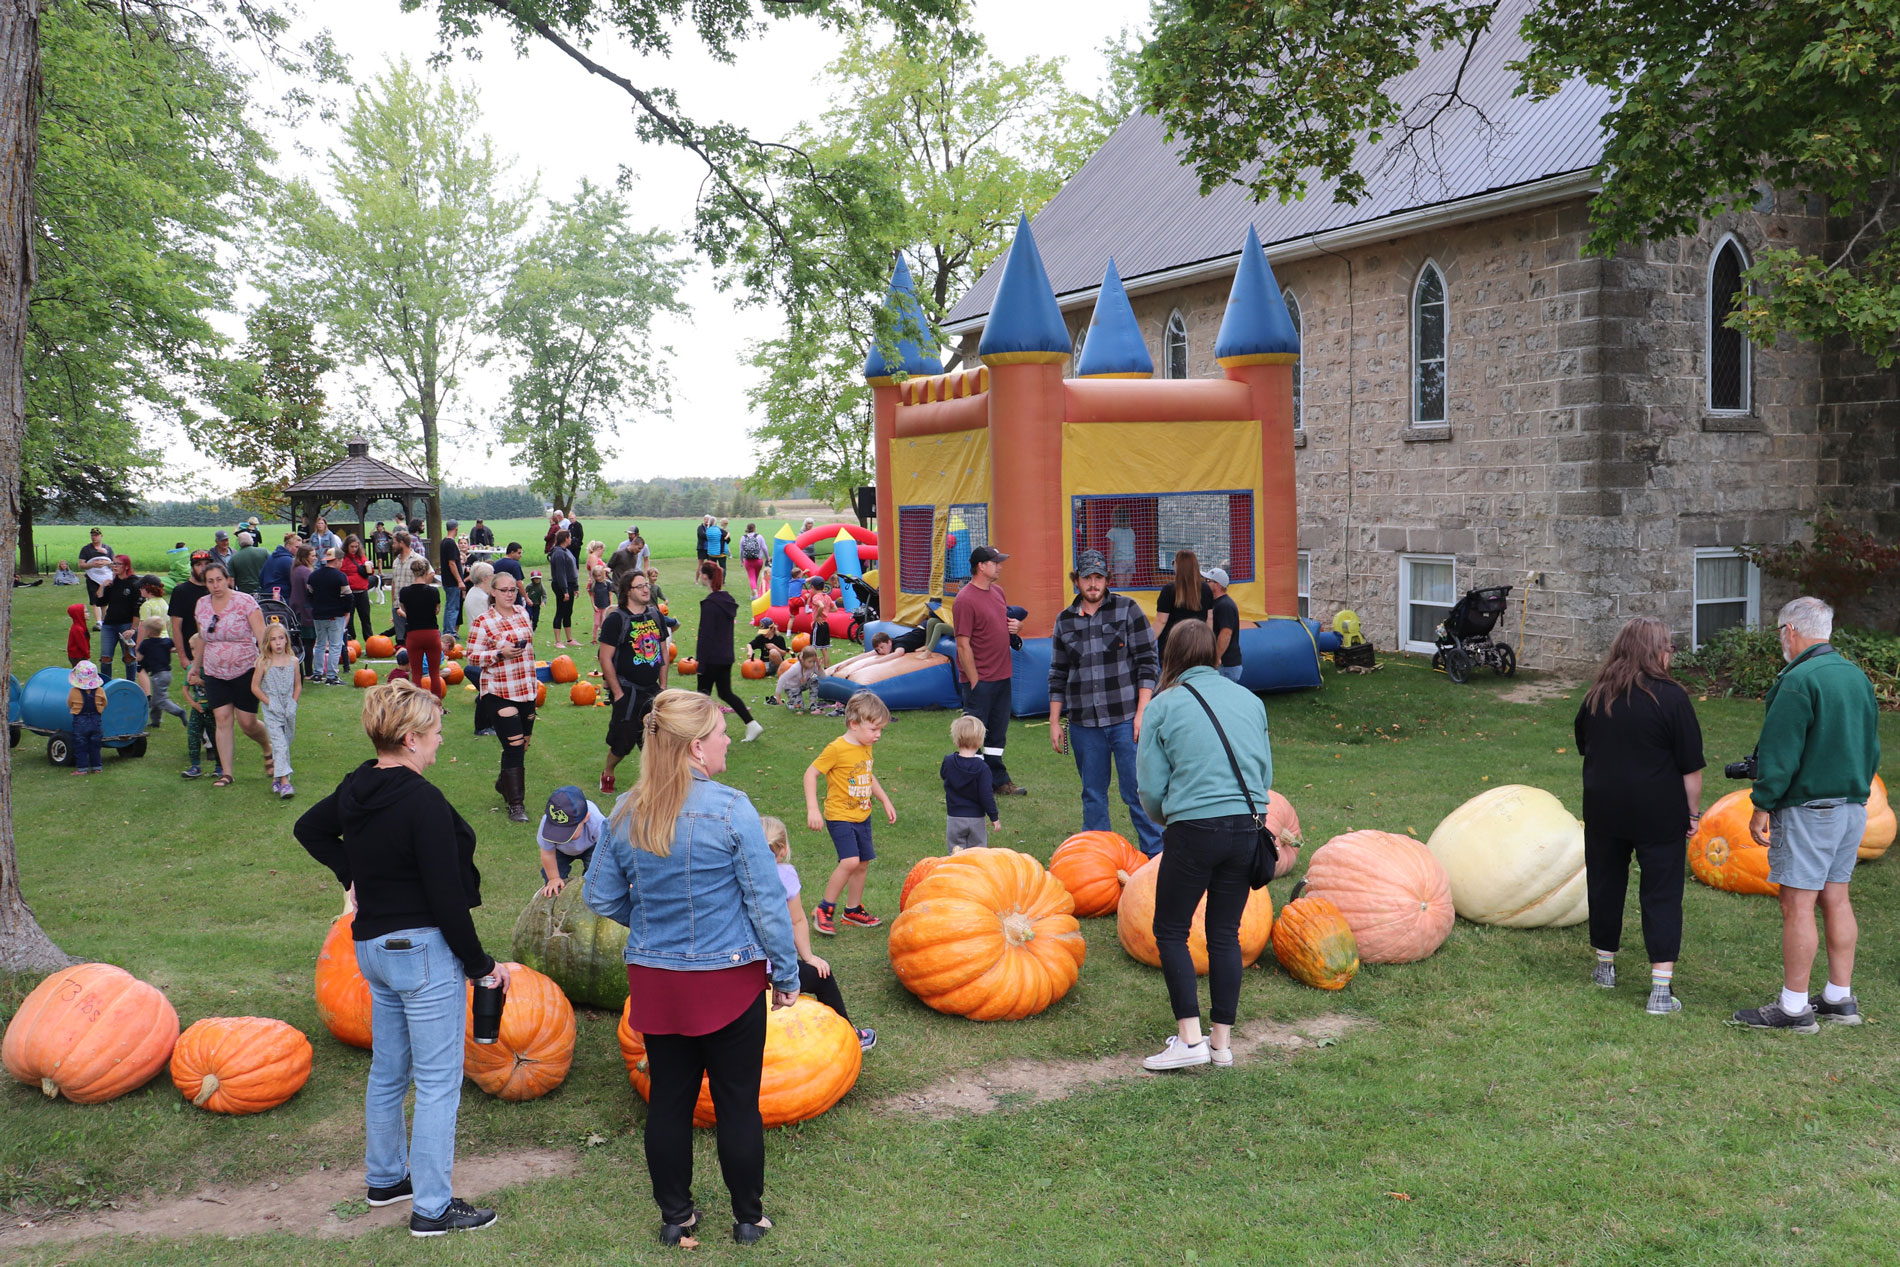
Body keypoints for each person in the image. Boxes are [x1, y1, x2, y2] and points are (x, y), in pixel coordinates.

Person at [295, 680, 516, 1238]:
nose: (441, 740)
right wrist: (479, 964)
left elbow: (309, 828)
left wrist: (351, 872)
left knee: (390, 1070)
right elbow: (445, 897)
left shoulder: (358, 784)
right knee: (439, 1081)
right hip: (421, 953)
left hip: (372, 950)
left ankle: (387, 1179)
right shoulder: (423, 801)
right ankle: (433, 1209)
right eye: (436, 732)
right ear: (412, 738)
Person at [581, 689, 800, 1246]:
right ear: (697, 747)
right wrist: (786, 974)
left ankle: (675, 1217)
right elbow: (766, 903)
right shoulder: (731, 808)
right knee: (737, 1103)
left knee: (669, 1102)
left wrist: (650, 924)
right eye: (722, 734)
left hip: (658, 984)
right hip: (729, 980)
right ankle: (748, 1218)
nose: (728, 741)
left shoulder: (627, 809)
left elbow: (599, 895)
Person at [1731, 596, 1882, 1033]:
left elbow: (1780, 754)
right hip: (1853, 806)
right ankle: (1839, 998)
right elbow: (1871, 748)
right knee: (1837, 897)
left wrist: (1762, 804)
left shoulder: (1798, 680)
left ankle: (1794, 1008)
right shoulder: (1855, 676)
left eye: (1780, 631)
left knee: (1797, 904)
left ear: (1791, 631)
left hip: (1810, 810)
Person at [1134, 620, 1271, 1071]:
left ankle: (1190, 1040)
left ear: (1170, 656)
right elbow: (1264, 774)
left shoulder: (1162, 705)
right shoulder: (1251, 700)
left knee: (1171, 930)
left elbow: (1150, 787)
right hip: (1248, 826)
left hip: (1194, 828)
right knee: (1225, 933)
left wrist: (1167, 818)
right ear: (1215, 654)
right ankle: (1221, 1045)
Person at [1573, 616, 1704, 1015]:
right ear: (1656, 651)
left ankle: (1604, 967)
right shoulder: (1673, 698)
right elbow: (1691, 767)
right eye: (1668, 647)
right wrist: (1693, 814)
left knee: (1605, 883)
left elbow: (1584, 745)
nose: (1671, 654)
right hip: (1658, 813)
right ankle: (1660, 992)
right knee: (1661, 893)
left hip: (1604, 808)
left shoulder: (1597, 696)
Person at [1049, 549, 1164, 856]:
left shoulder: (1128, 610)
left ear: (1107, 580)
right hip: (1083, 724)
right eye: (1087, 577)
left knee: (1138, 791)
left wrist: (1142, 713)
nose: (1093, 583)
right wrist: (1055, 722)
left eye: (1098, 577)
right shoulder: (1064, 621)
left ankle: (1157, 856)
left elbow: (1148, 663)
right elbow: (1058, 673)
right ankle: (1098, 858)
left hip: (1126, 719)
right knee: (1093, 795)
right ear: (1077, 581)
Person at [760, 814, 875, 1049]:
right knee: (823, 976)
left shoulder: (735, 875)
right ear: (783, 850)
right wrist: (809, 957)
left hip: (737, 973)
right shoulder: (785, 875)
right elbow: (797, 920)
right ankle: (850, 1035)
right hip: (774, 973)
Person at [803, 690, 896, 937]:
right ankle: (824, 909)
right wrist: (812, 808)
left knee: (862, 864)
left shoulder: (865, 745)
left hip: (862, 815)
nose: (878, 735)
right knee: (850, 862)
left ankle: (852, 910)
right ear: (854, 724)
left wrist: (884, 799)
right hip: (840, 815)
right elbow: (810, 773)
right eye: (874, 729)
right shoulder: (837, 748)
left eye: (881, 730)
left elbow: (867, 774)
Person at [189, 562, 271, 789]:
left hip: (245, 668)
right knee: (222, 719)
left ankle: (267, 747)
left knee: (247, 723)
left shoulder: (245, 602)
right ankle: (227, 773)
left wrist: (267, 663)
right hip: (214, 671)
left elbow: (261, 635)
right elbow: (202, 637)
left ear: (228, 579)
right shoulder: (202, 605)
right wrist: (196, 665)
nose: (215, 585)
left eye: (219, 580)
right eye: (210, 581)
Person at [467, 571, 539, 822]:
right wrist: (499, 654)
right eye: (504, 590)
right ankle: (516, 805)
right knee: (514, 745)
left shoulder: (522, 613)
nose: (510, 594)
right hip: (499, 690)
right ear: (493, 592)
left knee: (523, 744)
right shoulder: (483, 621)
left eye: (513, 590)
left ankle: (505, 782)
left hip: (526, 688)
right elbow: (472, 657)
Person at [953, 544, 1025, 796]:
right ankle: (969, 781)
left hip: (1002, 676)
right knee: (973, 734)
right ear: (981, 566)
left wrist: (1016, 627)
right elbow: (962, 644)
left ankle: (997, 780)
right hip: (980, 680)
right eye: (995, 562)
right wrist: (974, 681)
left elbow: (1002, 625)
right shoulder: (965, 599)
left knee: (997, 733)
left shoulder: (998, 592)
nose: (1000, 567)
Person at [598, 569, 670, 796]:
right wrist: (618, 693)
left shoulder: (655, 615)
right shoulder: (616, 620)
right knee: (623, 742)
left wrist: (663, 686)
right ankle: (608, 771)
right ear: (627, 592)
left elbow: (663, 650)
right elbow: (605, 658)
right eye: (639, 586)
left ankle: (656, 782)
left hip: (652, 690)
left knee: (655, 736)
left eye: (646, 585)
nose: (646, 589)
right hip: (627, 691)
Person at [696, 561, 763, 742]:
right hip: (725, 656)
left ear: (705, 577)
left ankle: (704, 734)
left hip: (711, 658)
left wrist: (701, 663)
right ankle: (752, 724)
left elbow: (705, 636)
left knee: (702, 697)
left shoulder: (710, 604)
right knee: (725, 693)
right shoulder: (727, 601)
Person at [253, 622, 304, 799]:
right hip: (272, 711)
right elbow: (255, 687)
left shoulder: (293, 661)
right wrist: (270, 703)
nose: (278, 643)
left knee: (285, 742)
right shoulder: (263, 663)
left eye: (281, 638)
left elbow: (298, 685)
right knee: (279, 743)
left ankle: (276, 778)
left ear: (286, 640)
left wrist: (293, 703)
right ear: (268, 642)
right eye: (274, 639)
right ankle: (285, 782)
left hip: (288, 709)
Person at [941, 714, 1000, 852]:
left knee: (955, 853)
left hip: (954, 817)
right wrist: (994, 817)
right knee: (977, 854)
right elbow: (986, 795)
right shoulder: (982, 768)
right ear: (980, 741)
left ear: (955, 739)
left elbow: (943, 775)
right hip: (976, 819)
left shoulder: (948, 761)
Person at [536, 785, 604, 896]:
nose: (562, 836)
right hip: (560, 850)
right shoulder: (545, 824)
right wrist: (553, 878)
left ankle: (590, 896)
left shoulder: (596, 821)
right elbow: (547, 854)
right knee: (552, 880)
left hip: (592, 847)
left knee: (597, 876)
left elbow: (607, 850)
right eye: (557, 831)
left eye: (568, 831)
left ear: (585, 818)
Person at [396, 557, 447, 702]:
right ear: (426, 572)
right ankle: (437, 705)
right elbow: (437, 610)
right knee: (434, 673)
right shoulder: (433, 592)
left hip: (413, 634)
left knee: (416, 673)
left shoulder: (405, 592)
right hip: (431, 633)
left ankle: (417, 705)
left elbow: (404, 609)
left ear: (412, 572)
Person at [1154, 549, 1214, 659]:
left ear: (1178, 566)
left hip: (1172, 644)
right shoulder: (1206, 589)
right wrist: (1209, 643)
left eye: (1174, 562)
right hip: (1197, 643)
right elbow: (1209, 619)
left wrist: (1147, 643)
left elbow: (1161, 621)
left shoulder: (1169, 590)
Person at [308, 548, 352, 685]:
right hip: (335, 614)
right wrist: (346, 610)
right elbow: (348, 597)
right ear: (337, 560)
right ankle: (332, 676)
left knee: (320, 644)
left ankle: (317, 673)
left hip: (318, 615)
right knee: (335, 645)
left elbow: (309, 593)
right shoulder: (340, 576)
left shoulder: (314, 575)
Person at [181, 632, 220, 781]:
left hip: (212, 710)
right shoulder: (191, 668)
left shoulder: (211, 668)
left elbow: (216, 689)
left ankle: (220, 766)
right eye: (192, 649)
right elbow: (185, 689)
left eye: (197, 648)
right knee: (193, 735)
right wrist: (193, 704)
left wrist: (201, 682)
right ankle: (195, 766)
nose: (194, 652)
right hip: (197, 710)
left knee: (215, 737)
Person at [96, 555, 142, 681]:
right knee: (105, 658)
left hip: (126, 625)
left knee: (129, 657)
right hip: (109, 625)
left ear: (126, 567)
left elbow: (137, 609)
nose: (114, 567)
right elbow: (100, 602)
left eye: (118, 564)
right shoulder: (112, 583)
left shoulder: (134, 583)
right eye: (113, 564)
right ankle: (106, 684)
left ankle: (130, 684)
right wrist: (102, 586)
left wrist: (133, 629)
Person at [169, 551, 211, 685]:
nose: (203, 568)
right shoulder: (181, 591)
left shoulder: (214, 589)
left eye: (206, 564)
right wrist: (182, 657)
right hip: (193, 652)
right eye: (199, 565)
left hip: (215, 651)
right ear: (192, 567)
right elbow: (176, 627)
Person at [136, 616, 187, 729]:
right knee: (156, 699)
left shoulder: (145, 644)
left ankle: (179, 712)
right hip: (167, 674)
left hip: (158, 675)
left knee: (160, 700)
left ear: (148, 631)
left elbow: (139, 658)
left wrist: (134, 653)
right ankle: (155, 721)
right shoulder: (167, 641)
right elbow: (176, 647)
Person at [1203, 567, 1244, 682]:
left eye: (1208, 581)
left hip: (1226, 665)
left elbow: (1226, 633)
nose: (1205, 584)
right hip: (1223, 664)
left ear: (1217, 585)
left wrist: (1216, 658)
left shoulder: (1225, 605)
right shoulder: (1217, 603)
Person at [67, 661, 107, 776]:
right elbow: (105, 703)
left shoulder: (74, 692)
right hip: (96, 720)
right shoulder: (100, 691)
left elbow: (70, 704)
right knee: (95, 744)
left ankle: (82, 769)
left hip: (80, 721)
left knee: (80, 745)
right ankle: (97, 767)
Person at [338, 536, 376, 646]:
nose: (354, 549)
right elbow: (340, 574)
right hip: (349, 592)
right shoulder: (343, 559)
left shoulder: (361, 556)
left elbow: (370, 572)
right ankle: (351, 640)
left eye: (356, 546)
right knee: (349, 618)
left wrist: (370, 568)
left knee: (365, 618)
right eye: (352, 546)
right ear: (347, 546)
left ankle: (370, 641)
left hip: (362, 591)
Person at [547, 530, 579, 649]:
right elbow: (561, 573)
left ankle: (569, 639)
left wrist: (575, 587)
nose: (571, 539)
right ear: (565, 538)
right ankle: (558, 641)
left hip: (569, 584)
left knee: (568, 612)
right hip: (561, 585)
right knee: (560, 611)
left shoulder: (566, 551)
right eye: (569, 537)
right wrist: (565, 591)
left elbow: (572, 570)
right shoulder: (558, 553)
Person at [288, 544, 316, 674]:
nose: (315, 558)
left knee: (301, 642)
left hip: (297, 609)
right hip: (306, 611)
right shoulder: (305, 571)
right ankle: (309, 671)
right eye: (312, 555)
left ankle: (301, 671)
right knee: (309, 642)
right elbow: (312, 590)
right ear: (305, 557)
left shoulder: (296, 569)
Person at [77, 528, 112, 628]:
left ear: (101, 536)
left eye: (96, 535)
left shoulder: (108, 549)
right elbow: (81, 565)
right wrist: (92, 564)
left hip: (105, 578)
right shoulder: (86, 549)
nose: (94, 537)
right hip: (92, 577)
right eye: (92, 535)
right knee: (95, 600)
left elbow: (114, 563)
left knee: (105, 600)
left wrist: (107, 563)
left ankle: (105, 621)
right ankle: (98, 622)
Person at [777, 647, 827, 714]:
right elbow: (782, 678)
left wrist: (819, 667)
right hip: (792, 688)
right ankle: (791, 704)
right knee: (801, 709)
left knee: (814, 678)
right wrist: (778, 694)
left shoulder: (813, 666)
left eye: (814, 661)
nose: (812, 664)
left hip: (802, 684)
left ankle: (813, 705)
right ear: (803, 660)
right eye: (810, 661)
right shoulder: (796, 668)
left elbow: (823, 677)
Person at [439, 521, 465, 637]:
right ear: (456, 528)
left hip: (446, 580)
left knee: (449, 605)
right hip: (452, 581)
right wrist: (459, 580)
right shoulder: (450, 543)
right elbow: (452, 563)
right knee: (453, 607)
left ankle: (447, 630)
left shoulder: (444, 542)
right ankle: (450, 632)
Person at [258, 532, 300, 600]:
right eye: (297, 547)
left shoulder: (271, 557)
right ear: (288, 545)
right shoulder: (289, 561)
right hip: (283, 598)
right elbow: (296, 582)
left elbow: (261, 577)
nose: (299, 550)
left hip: (267, 596)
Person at [805, 577, 834, 665]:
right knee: (824, 649)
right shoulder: (827, 597)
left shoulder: (816, 597)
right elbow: (835, 608)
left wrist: (817, 616)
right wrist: (826, 611)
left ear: (813, 587)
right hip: (825, 624)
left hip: (818, 624)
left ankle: (813, 667)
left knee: (813, 647)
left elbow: (821, 606)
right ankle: (826, 668)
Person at [1105, 506, 1138, 586]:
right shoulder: (1131, 531)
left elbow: (1111, 550)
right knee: (1127, 587)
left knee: (1120, 587)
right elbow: (1134, 548)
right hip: (1131, 561)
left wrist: (1108, 565)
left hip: (1120, 561)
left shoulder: (1112, 531)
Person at [229, 531, 269, 596]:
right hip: (264, 590)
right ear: (252, 540)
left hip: (244, 593)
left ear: (239, 543)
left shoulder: (234, 558)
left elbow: (231, 580)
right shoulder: (264, 552)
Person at [738, 523, 769, 597]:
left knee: (751, 577)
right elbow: (764, 548)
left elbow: (741, 551)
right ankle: (754, 594)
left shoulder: (743, 537)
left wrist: (741, 560)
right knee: (755, 577)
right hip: (758, 560)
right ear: (755, 529)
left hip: (748, 561)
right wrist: (767, 558)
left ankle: (755, 594)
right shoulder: (759, 536)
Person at [463, 561, 495, 631]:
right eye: (492, 574)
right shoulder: (481, 598)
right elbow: (487, 624)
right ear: (484, 578)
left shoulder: (474, 591)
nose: (494, 577)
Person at [589, 556, 613, 643]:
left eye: (599, 576)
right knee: (596, 623)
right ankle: (594, 638)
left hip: (605, 606)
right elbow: (592, 596)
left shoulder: (607, 584)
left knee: (604, 623)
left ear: (603, 574)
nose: (598, 578)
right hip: (597, 607)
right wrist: (593, 605)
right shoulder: (593, 584)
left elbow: (610, 594)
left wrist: (610, 605)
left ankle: (603, 638)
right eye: (596, 576)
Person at [65, 602, 90, 667]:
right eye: (86, 612)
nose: (88, 614)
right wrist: (87, 656)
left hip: (79, 655)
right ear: (79, 614)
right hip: (77, 656)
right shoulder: (77, 629)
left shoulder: (81, 626)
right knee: (81, 671)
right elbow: (82, 644)